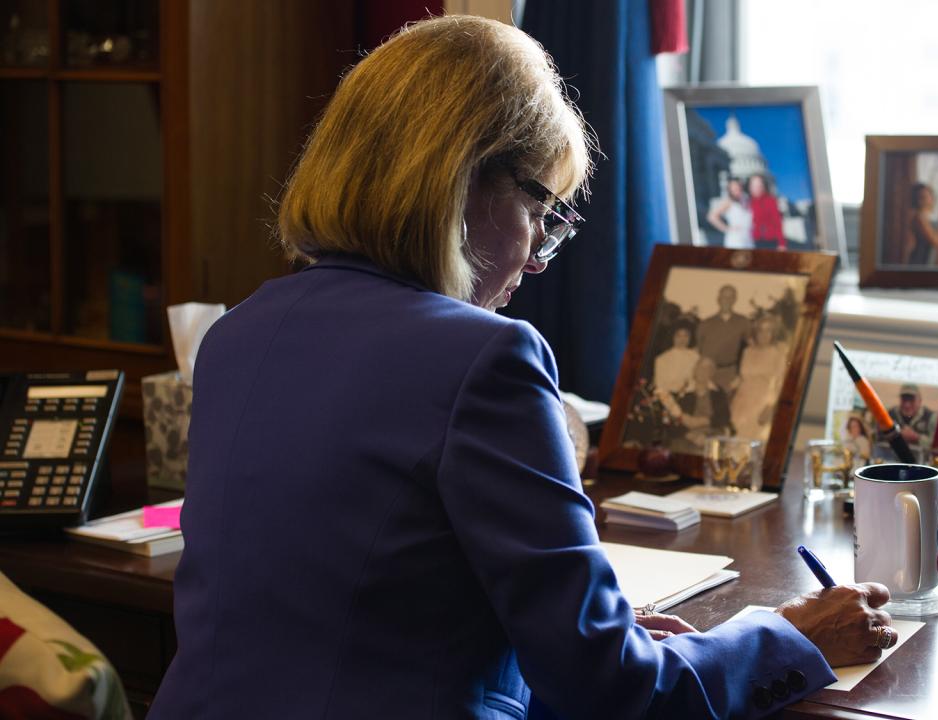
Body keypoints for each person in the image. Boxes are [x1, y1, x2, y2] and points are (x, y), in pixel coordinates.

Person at [149, 17, 897, 720]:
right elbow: (615, 690)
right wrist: (791, 635)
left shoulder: (240, 332)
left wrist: (564, 628)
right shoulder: (483, 358)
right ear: (464, 175)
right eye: (543, 211)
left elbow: (352, 601)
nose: (539, 256)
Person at [730, 314, 788, 442]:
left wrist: (770, 408)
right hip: (741, 401)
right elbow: (742, 377)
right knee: (734, 440)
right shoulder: (747, 351)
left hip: (761, 404)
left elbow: (779, 384)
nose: (764, 334)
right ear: (756, 332)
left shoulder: (778, 354)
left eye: (769, 331)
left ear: (774, 334)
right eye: (761, 330)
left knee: (753, 442)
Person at [670, 356, 733, 453]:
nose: (703, 371)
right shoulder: (683, 392)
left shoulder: (718, 392)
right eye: (700, 367)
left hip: (712, 433)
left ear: (711, 374)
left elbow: (724, 417)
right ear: (695, 370)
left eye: (707, 369)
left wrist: (705, 421)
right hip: (686, 434)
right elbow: (672, 419)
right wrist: (690, 435)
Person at [697, 284, 752, 393]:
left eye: (730, 297)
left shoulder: (743, 322)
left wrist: (740, 374)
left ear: (735, 300)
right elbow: (698, 351)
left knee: (726, 407)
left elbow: (751, 350)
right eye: (723, 297)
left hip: (730, 373)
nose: (726, 300)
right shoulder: (705, 323)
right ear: (718, 299)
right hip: (706, 375)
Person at [884, 382, 936, 453]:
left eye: (912, 400)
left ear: (920, 401)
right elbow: (878, 439)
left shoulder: (931, 417)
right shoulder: (890, 415)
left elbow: (936, 446)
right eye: (904, 399)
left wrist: (917, 438)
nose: (907, 405)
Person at [706, 177, 754, 250]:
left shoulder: (746, 199)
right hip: (736, 240)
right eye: (734, 188)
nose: (736, 190)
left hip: (748, 238)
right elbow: (711, 216)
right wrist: (726, 228)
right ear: (730, 190)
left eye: (738, 187)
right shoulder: (728, 202)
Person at [652, 323, 699, 396]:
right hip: (669, 398)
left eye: (686, 336)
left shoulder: (695, 356)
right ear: (672, 337)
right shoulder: (662, 359)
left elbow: (699, 380)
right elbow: (660, 386)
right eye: (678, 336)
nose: (682, 339)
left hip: (692, 395)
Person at [905, 182, 938, 265]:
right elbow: (936, 241)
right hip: (921, 260)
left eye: (929, 196)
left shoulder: (933, 215)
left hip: (932, 258)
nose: (928, 199)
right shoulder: (919, 217)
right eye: (921, 197)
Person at [747, 174, 786, 250]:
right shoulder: (748, 202)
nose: (757, 188)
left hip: (770, 241)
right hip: (754, 241)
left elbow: (777, 222)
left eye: (759, 185)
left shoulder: (771, 201)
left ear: (764, 186)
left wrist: (782, 243)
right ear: (750, 187)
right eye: (754, 185)